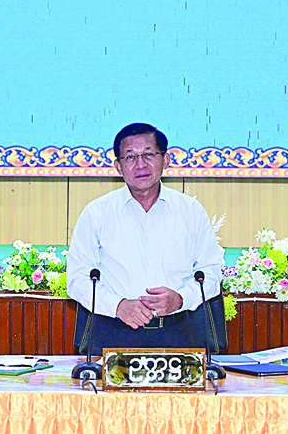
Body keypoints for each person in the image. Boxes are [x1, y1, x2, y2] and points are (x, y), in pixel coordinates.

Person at [66, 122, 224, 353]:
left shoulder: (190, 211)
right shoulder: (97, 213)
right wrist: (118, 306)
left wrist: (181, 298)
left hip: (179, 332)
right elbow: (77, 279)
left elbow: (211, 272)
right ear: (118, 166)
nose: (140, 164)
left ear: (165, 160)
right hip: (113, 333)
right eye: (130, 157)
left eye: (149, 154)